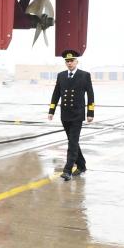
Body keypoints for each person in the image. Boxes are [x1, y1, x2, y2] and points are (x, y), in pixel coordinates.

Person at [48, 49, 95, 181]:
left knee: (72, 142)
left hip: (77, 114)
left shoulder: (84, 75)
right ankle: (82, 165)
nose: (69, 63)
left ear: (76, 62)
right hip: (65, 114)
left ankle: (67, 170)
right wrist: (51, 110)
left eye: (71, 61)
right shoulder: (61, 75)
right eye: (67, 61)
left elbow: (90, 95)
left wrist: (90, 113)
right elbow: (56, 93)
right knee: (73, 142)